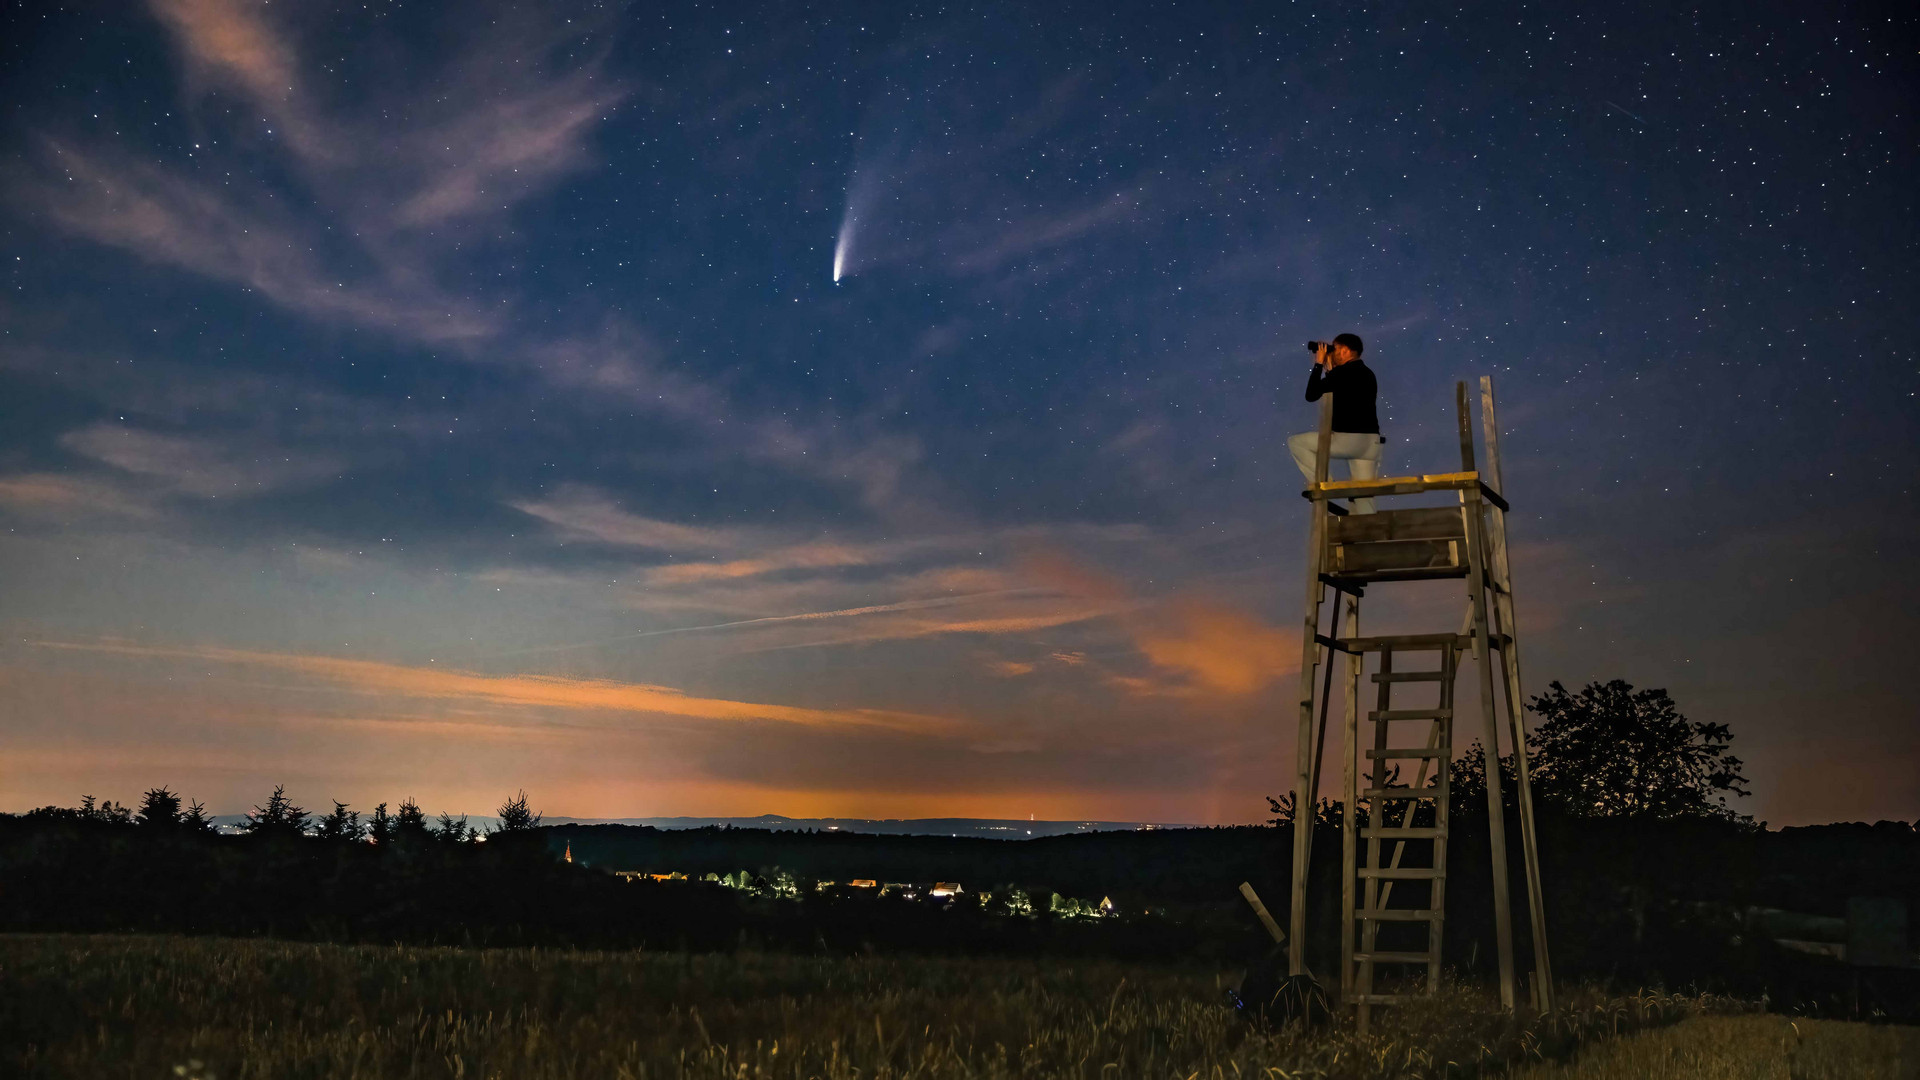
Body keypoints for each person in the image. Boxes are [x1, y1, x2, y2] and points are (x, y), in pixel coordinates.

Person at [1287, 332, 1384, 514]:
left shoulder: (1345, 372)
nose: (1332, 352)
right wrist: (1330, 369)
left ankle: (1326, 486)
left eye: (1336, 348)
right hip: (1371, 442)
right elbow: (1341, 387)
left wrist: (1318, 364)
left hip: (1349, 439)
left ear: (1346, 351)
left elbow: (1311, 394)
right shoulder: (1366, 373)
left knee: (1296, 442)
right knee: (1364, 495)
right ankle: (1364, 529)